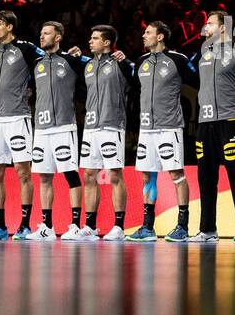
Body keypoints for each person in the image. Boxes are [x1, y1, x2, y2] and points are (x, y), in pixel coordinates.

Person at [127, 21, 194, 242]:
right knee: (147, 176)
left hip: (170, 127)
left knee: (176, 175)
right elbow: (137, 94)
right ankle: (147, 227)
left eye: (148, 32)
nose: (143, 36)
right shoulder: (141, 61)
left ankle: (182, 226)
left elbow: (198, 82)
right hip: (147, 129)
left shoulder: (177, 60)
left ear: (161, 37)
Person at [0, 11, 43, 240]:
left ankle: (25, 225)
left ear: (9, 26)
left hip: (18, 117)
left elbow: (50, 59)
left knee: (22, 172)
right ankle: (0, 227)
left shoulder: (26, 48)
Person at [192, 11, 235, 242]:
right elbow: (185, 72)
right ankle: (207, 229)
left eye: (209, 23)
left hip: (232, 121)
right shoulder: (203, 52)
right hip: (205, 123)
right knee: (205, 177)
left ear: (224, 28)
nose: (205, 27)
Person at [24, 21, 87, 242]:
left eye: (47, 33)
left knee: (70, 175)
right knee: (44, 177)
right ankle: (47, 227)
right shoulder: (36, 63)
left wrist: (81, 54)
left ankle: (76, 225)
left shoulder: (71, 60)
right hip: (41, 129)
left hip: (64, 126)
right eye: (41, 33)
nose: (42, 36)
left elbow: (95, 65)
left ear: (58, 37)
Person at [76, 24, 133, 240]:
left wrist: (125, 61)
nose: (90, 41)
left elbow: (136, 77)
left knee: (114, 174)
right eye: (91, 38)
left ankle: (118, 226)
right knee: (89, 175)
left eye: (95, 38)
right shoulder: (89, 65)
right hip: (90, 127)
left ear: (107, 42)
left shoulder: (120, 64)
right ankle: (90, 226)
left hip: (112, 124)